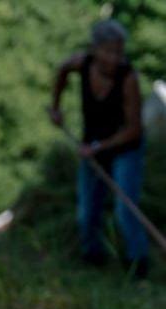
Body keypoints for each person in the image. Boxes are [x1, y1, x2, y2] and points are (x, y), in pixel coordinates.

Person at [49, 20, 148, 278]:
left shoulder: (129, 79)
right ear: (96, 49)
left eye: (119, 52)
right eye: (110, 51)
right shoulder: (81, 64)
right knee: (86, 211)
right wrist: (56, 107)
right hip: (92, 147)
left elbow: (134, 129)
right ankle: (93, 259)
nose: (115, 58)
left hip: (125, 149)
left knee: (125, 209)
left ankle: (137, 265)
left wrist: (99, 147)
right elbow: (61, 71)